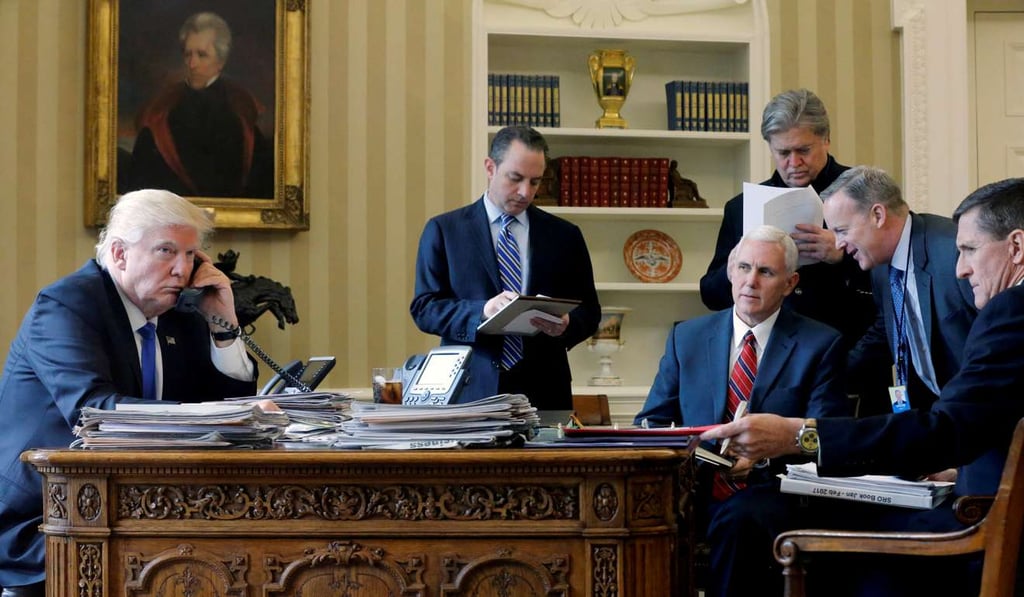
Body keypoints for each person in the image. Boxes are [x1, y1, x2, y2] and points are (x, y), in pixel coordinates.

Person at [701, 177, 1024, 597]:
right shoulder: (883, 271)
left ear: (1016, 247)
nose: (960, 267)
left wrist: (801, 435)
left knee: (793, 540)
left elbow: (951, 426)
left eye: (969, 251)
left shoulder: (1007, 309)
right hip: (964, 474)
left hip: (979, 511)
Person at [0, 189, 258, 596]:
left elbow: (227, 406)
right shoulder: (68, 305)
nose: (182, 269)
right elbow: (95, 413)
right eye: (166, 251)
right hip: (44, 518)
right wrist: (204, 418)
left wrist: (224, 325)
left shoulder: (183, 315)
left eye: (192, 255)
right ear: (119, 254)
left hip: (140, 509)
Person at [635, 225, 852, 597]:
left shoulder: (821, 344)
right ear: (730, 271)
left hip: (775, 491)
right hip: (694, 486)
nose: (751, 281)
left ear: (789, 282)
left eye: (765, 272)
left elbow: (826, 438)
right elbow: (652, 422)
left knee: (738, 518)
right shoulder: (686, 337)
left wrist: (765, 456)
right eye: (744, 267)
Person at [699, 89, 886, 413]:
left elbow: (896, 281)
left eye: (804, 150)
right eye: (783, 152)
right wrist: (736, 269)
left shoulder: (865, 194)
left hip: (848, 363)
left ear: (825, 139)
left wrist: (841, 255)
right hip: (765, 371)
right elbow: (712, 295)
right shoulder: (741, 208)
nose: (794, 163)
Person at [410, 125, 601, 410]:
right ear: (490, 167)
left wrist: (567, 324)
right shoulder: (445, 230)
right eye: (515, 178)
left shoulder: (565, 235)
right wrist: (483, 311)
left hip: (545, 393)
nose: (525, 192)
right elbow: (424, 309)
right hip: (468, 391)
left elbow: (590, 311)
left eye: (535, 182)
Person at [823, 166, 977, 412]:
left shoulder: (953, 251)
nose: (838, 243)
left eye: (842, 230)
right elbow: (888, 328)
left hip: (986, 415)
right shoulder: (880, 263)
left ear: (878, 215)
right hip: (934, 413)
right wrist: (827, 375)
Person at [125, 12, 274, 198]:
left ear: (221, 61)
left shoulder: (241, 107)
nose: (192, 64)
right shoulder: (162, 109)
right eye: (188, 54)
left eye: (202, 55)